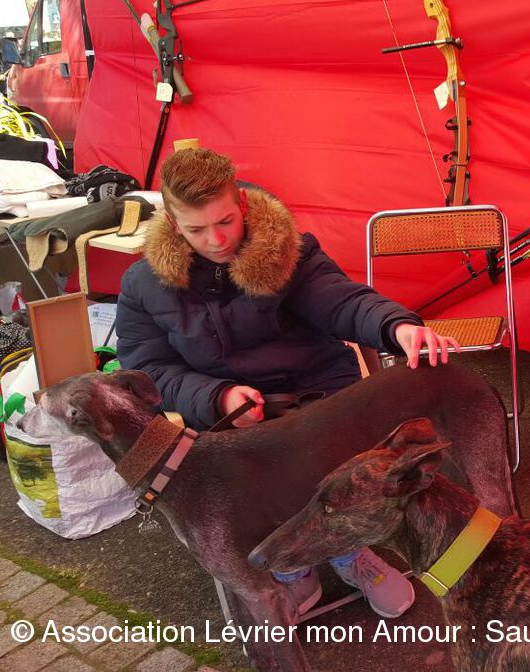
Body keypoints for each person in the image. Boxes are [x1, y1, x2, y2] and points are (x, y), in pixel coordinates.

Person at [117, 146, 458, 619]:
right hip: (230, 417)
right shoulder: (143, 284)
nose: (216, 239)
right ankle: (295, 567)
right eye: (197, 229)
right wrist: (216, 397)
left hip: (316, 393)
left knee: (341, 471)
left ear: (242, 203)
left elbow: (342, 302)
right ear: (174, 224)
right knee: (249, 483)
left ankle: (349, 554)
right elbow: (148, 369)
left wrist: (395, 326)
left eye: (226, 221)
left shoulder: (288, 253)